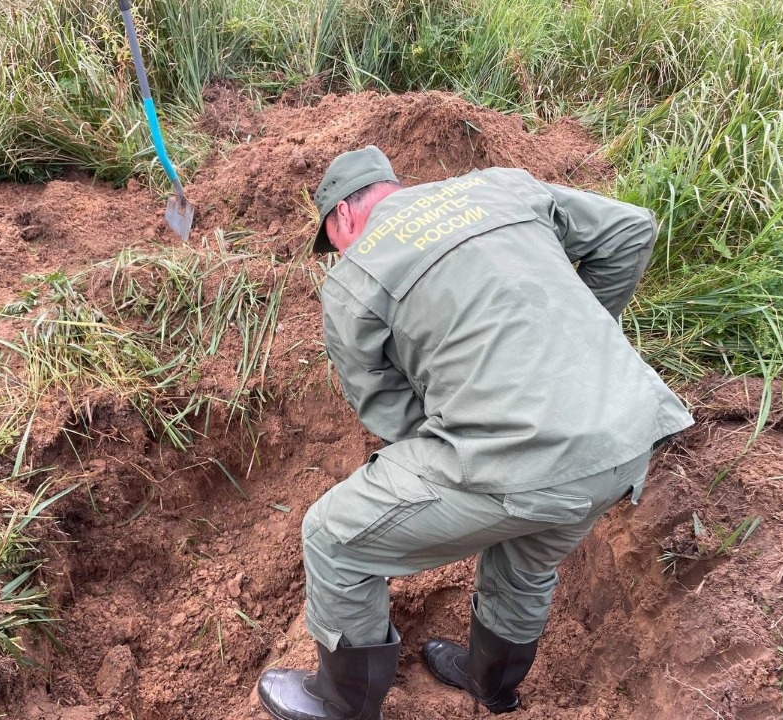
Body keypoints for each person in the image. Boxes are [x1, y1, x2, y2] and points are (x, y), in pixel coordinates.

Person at [257, 146, 694, 720]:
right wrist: (575, 350)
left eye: (332, 241)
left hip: (526, 454)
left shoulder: (355, 274)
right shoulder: (498, 187)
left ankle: (340, 705)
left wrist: (465, 448)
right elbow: (630, 231)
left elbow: (385, 407)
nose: (338, 252)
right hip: (628, 432)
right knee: (526, 561)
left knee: (333, 539)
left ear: (342, 216)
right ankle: (492, 688)